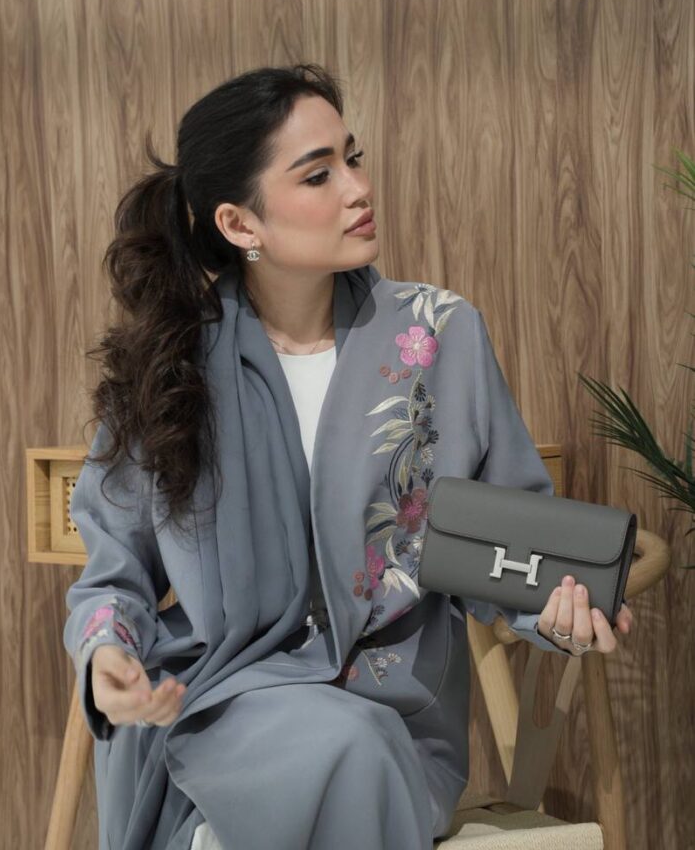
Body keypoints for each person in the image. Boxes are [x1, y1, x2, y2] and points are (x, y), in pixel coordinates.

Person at [63, 64, 634, 850]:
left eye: (352, 158)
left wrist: (557, 613)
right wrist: (106, 656)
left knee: (346, 752)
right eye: (317, 174)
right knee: (321, 764)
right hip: (219, 701)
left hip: (396, 717)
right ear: (240, 224)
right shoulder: (169, 364)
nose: (357, 189)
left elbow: (505, 542)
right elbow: (113, 571)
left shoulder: (438, 334)